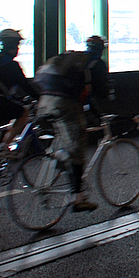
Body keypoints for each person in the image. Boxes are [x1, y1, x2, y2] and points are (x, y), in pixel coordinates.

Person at [34, 35, 110, 212]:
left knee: (63, 132)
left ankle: (59, 155)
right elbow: (97, 93)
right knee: (77, 147)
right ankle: (77, 198)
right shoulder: (94, 64)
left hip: (45, 102)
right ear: (102, 49)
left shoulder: (75, 61)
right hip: (65, 104)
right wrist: (98, 115)